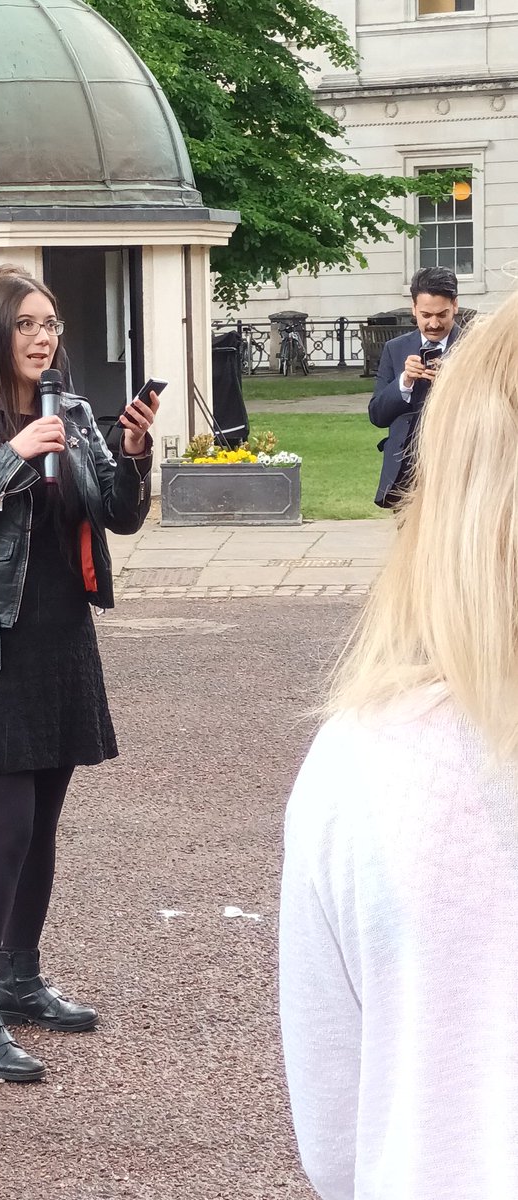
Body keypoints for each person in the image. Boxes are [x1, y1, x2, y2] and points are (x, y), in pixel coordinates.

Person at [279, 293, 518, 1199]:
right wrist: (411, 382)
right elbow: (382, 416)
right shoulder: (396, 355)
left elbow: (337, 1140)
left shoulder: (359, 763)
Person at [0, 272, 159, 1083]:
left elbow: (116, 514)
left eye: (51, 324)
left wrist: (132, 452)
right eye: (26, 325)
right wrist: (13, 456)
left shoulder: (76, 411)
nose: (44, 338)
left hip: (62, 639)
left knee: (44, 826)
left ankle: (20, 979)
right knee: (6, 831)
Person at [368, 266, 460, 508]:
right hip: (405, 473)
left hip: (458, 468)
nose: (433, 323)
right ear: (414, 309)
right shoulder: (395, 348)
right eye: (425, 315)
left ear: (455, 306)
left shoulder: (475, 346)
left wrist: (453, 379)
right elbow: (377, 415)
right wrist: (404, 382)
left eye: (442, 314)